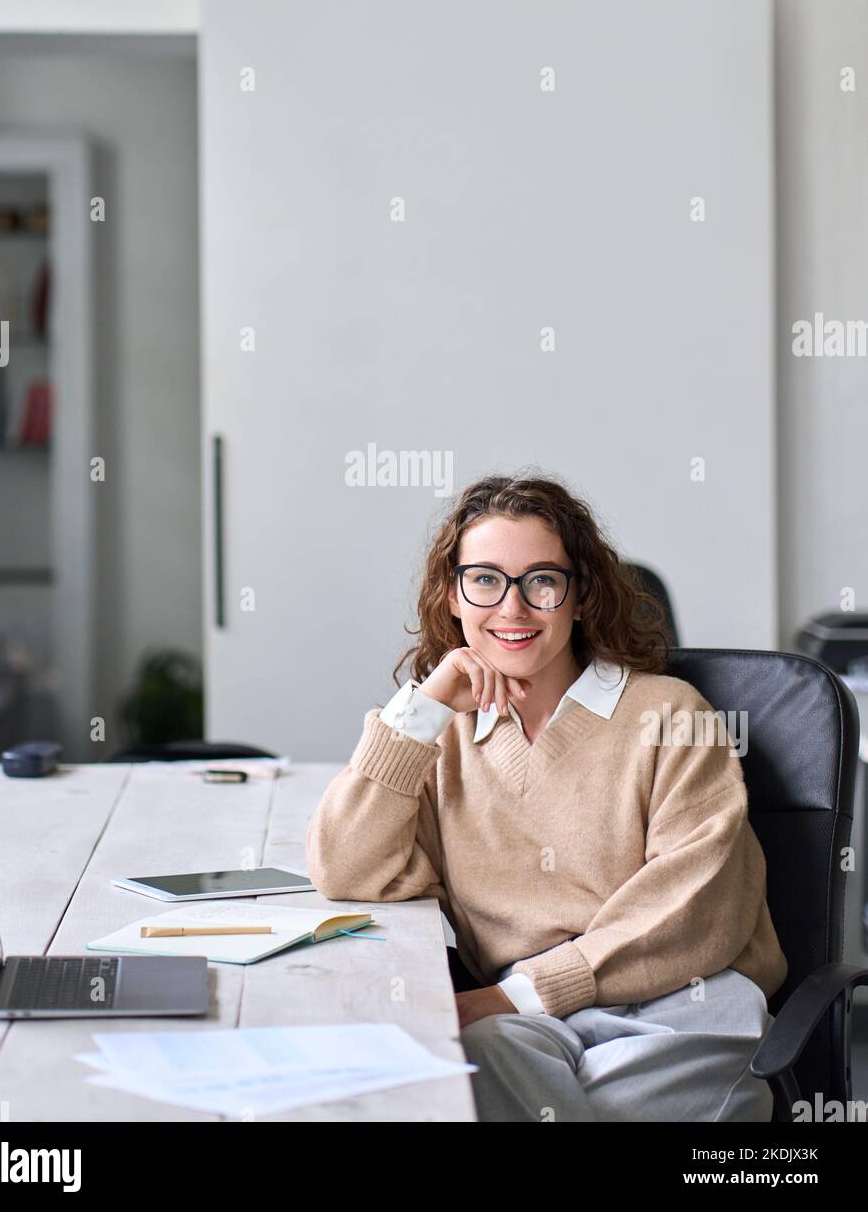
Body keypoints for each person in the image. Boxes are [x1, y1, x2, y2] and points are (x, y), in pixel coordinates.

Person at [305, 472, 788, 1122]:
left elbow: (695, 911)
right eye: (485, 579)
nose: (511, 608)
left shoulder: (671, 715)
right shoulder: (438, 735)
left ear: (580, 596)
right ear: (453, 595)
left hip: (683, 1003)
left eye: (541, 580)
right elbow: (348, 868)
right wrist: (423, 710)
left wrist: (518, 995)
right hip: (527, 1019)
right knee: (484, 1055)